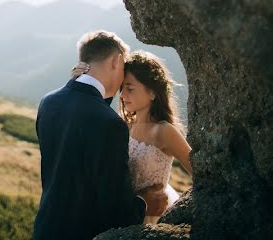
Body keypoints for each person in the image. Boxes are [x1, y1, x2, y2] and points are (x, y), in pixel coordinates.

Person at [33, 30, 145, 240]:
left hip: (45, 228)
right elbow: (117, 211)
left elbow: (81, 119)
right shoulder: (110, 124)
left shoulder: (48, 101)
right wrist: (145, 205)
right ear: (116, 61)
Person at [72, 50, 192, 224]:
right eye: (122, 88)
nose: (121, 95)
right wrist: (79, 81)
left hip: (152, 218)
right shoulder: (123, 127)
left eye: (129, 89)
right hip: (123, 214)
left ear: (152, 93)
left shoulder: (164, 131)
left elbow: (200, 172)